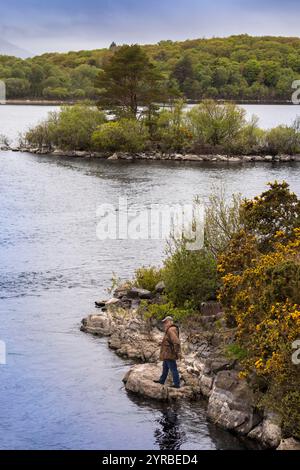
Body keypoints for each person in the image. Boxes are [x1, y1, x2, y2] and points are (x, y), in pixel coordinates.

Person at [154, 316, 181, 389]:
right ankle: (162, 380)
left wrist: (176, 352)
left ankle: (177, 384)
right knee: (165, 367)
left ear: (170, 322)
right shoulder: (170, 329)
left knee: (173, 369)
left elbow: (176, 342)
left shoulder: (171, 330)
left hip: (170, 354)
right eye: (164, 322)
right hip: (167, 354)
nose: (164, 324)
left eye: (166, 322)